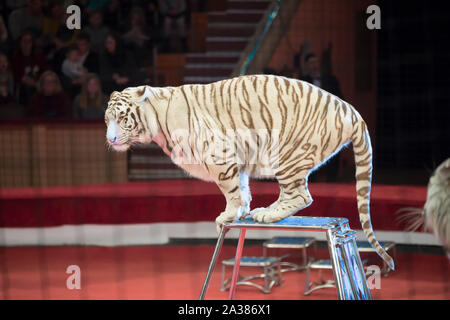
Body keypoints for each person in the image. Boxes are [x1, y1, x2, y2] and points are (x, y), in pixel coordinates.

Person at [11, 30, 48, 105]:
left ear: (32, 43)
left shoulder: (39, 55)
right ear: (20, 43)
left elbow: (45, 71)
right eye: (24, 41)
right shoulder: (16, 56)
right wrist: (24, 79)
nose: (26, 44)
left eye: (29, 41)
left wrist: (37, 82)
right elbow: (15, 74)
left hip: (39, 82)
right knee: (27, 88)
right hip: (23, 84)